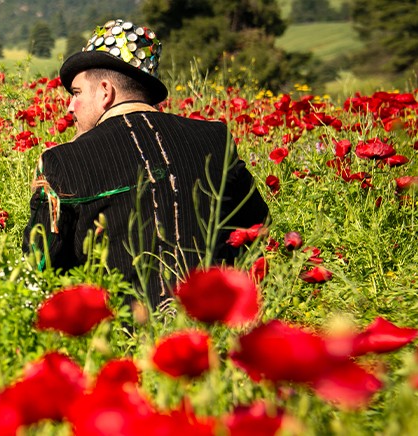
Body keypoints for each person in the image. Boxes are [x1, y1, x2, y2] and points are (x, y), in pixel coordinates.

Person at [22, 19, 269, 310]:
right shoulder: (213, 138)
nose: (70, 107)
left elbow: (38, 266)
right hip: (211, 332)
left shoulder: (62, 162)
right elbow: (257, 227)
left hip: (119, 340)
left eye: (76, 93)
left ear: (105, 91)